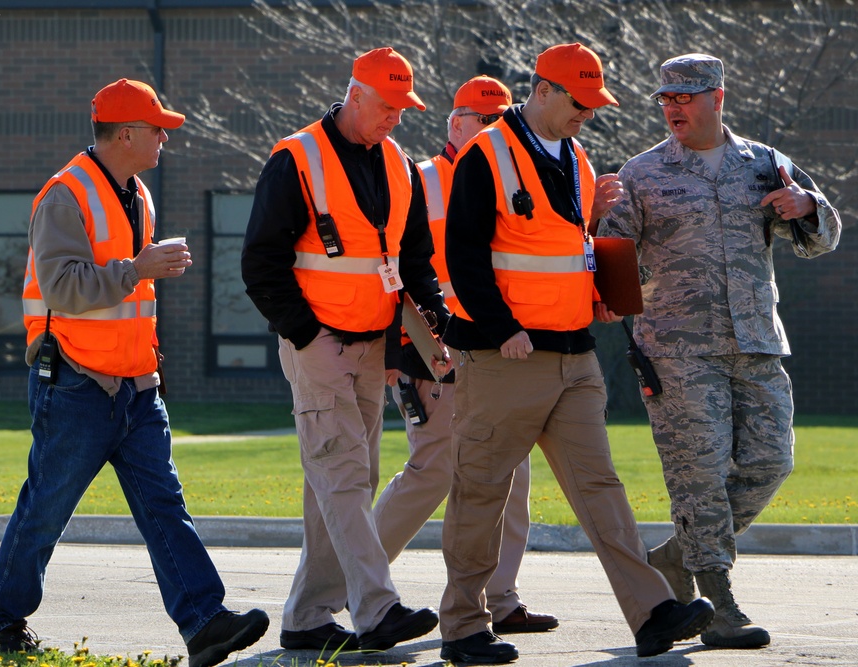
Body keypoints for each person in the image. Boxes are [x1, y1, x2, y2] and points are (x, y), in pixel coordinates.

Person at [0, 79, 269, 667]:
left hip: (135, 387)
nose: (165, 138)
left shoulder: (139, 193)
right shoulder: (65, 196)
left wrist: (141, 286)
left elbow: (121, 288)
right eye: (158, 129)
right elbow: (62, 287)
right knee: (45, 511)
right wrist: (137, 268)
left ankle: (205, 621)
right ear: (126, 133)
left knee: (165, 507)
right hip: (76, 386)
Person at [436, 43, 716, 664]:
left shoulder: (580, 158)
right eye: (579, 101)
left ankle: (652, 613)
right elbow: (462, 255)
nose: (587, 113)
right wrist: (501, 325)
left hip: (574, 352)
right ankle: (462, 626)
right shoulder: (487, 153)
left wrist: (599, 294)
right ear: (542, 90)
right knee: (481, 489)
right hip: (505, 354)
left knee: (601, 487)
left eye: (594, 102)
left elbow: (569, 250)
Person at [597, 53, 841, 649]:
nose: (674, 108)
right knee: (699, 475)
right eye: (666, 99)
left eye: (686, 96)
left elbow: (820, 239)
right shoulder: (642, 173)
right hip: (678, 347)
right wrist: (603, 261)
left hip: (757, 339)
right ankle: (718, 599)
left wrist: (809, 208)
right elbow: (608, 248)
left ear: (718, 98)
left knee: (770, 462)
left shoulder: (766, 164)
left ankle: (678, 558)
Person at [241, 47, 448, 654]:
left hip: (371, 347)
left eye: (403, 108)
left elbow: (410, 266)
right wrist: (308, 337)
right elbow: (261, 264)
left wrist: (433, 332)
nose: (395, 118)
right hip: (320, 347)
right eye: (386, 106)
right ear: (355, 94)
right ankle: (377, 611)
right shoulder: (295, 159)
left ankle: (307, 617)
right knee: (345, 479)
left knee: (338, 485)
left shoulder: (400, 165)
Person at [373, 75, 558, 636]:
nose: (500, 131)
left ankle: (500, 600)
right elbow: (389, 274)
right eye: (487, 121)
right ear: (457, 125)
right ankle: (347, 583)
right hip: (433, 353)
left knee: (512, 478)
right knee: (432, 471)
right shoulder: (419, 181)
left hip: (498, 353)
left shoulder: (513, 179)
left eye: (505, 121)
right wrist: (405, 351)